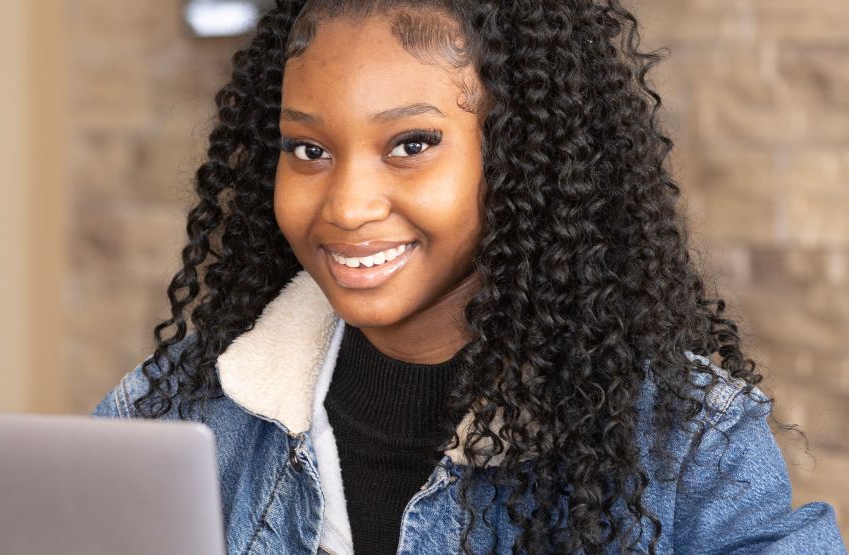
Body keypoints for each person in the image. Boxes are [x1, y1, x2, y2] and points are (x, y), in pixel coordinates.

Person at [93, 1, 847, 553]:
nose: (347, 207)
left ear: (524, 158)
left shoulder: (687, 442)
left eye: (411, 143)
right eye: (308, 150)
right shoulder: (176, 414)